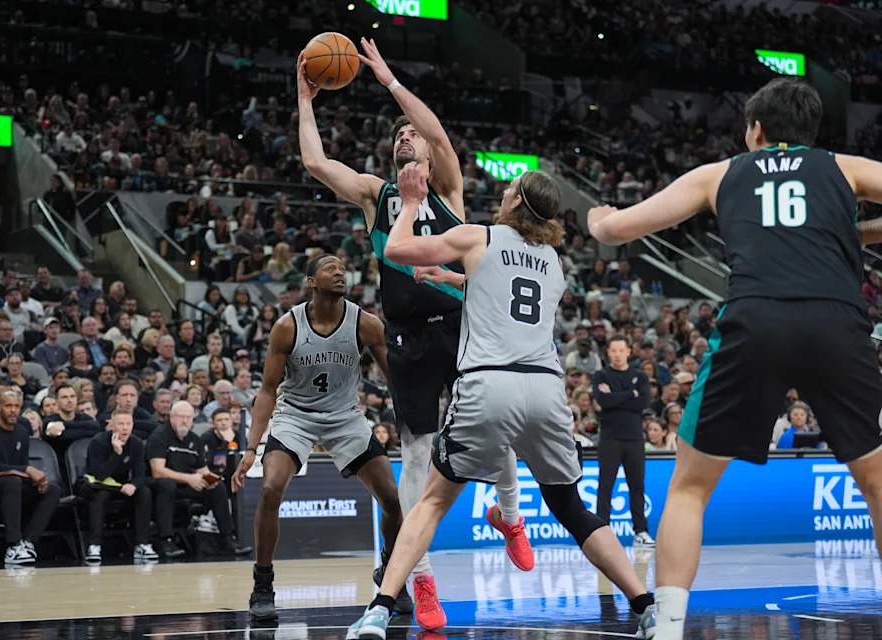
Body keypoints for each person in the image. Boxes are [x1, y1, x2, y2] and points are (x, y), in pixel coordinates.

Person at [587, 78, 882, 640]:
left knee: (690, 487)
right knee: (878, 481)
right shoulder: (843, 167)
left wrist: (597, 217)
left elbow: (621, 227)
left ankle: (669, 626)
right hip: (835, 321)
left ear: (756, 130)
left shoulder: (719, 174)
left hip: (756, 320)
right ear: (810, 132)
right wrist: (856, 234)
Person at [348, 165, 655, 639]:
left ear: (515, 203)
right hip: (546, 391)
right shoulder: (554, 261)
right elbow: (510, 297)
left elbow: (395, 250)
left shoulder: (480, 236)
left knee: (430, 503)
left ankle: (379, 609)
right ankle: (646, 604)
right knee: (572, 508)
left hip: (490, 385)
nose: (504, 192)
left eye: (510, 188)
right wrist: (455, 280)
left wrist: (410, 204)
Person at [297, 38, 529, 627]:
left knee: (494, 420)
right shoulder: (378, 195)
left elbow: (441, 136)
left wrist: (390, 81)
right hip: (403, 333)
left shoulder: (447, 187)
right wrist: (305, 100)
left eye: (413, 135)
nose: (405, 137)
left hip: (459, 319)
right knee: (419, 453)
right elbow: (317, 165)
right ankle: (421, 582)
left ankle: (510, 513)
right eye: (398, 134)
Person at [231, 254, 408, 623]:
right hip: (296, 415)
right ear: (311, 281)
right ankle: (262, 585)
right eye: (330, 268)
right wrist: (251, 447)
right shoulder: (287, 326)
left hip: (345, 417)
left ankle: (391, 573)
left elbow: (396, 379)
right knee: (269, 489)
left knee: (392, 498)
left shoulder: (366, 323)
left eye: (343, 268)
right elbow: (266, 390)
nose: (340, 271)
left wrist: (410, 420)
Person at [146, 400, 247, 559]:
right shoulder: (160, 436)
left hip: (186, 482)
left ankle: (228, 538)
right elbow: (157, 471)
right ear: (172, 417)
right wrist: (189, 478)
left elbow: (203, 470)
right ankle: (166, 540)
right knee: (167, 486)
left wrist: (211, 480)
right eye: (181, 417)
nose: (185, 421)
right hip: (159, 484)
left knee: (218, 487)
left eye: (188, 417)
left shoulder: (194, 439)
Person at [0, 389, 61, 565]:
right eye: (8, 406)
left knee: (53, 489)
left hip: (13, 484)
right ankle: (13, 544)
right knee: (13, 481)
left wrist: (36, 482)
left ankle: (28, 542)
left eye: (17, 406)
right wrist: (27, 470)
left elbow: (21, 468)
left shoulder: (22, 432)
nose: (13, 410)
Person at [591, 336, 653, 546]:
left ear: (628, 352)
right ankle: (602, 532)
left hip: (635, 438)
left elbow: (642, 403)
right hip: (610, 439)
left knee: (636, 486)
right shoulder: (601, 375)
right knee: (606, 486)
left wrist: (616, 396)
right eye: (613, 350)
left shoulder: (640, 376)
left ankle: (641, 532)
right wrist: (629, 394)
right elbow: (603, 401)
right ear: (608, 352)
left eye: (621, 350)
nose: (617, 354)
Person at [78, 408, 158, 565]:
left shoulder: (136, 443)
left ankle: (141, 544)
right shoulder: (98, 443)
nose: (125, 428)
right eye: (121, 424)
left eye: (128, 424)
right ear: (112, 425)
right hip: (95, 485)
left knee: (145, 492)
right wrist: (117, 453)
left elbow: (140, 474)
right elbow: (100, 475)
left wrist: (133, 485)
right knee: (101, 495)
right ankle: (95, 545)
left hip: (118, 486)